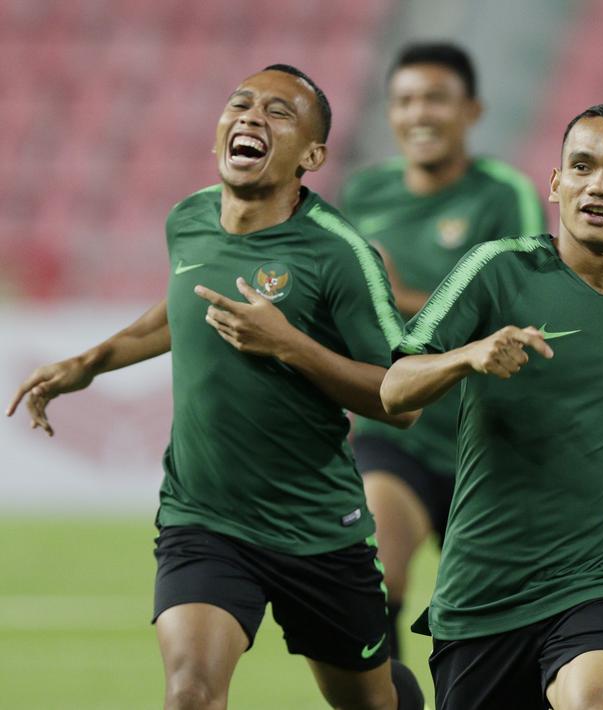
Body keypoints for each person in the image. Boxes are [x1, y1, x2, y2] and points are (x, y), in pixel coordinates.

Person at [8, 65, 424, 710]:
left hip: (318, 530)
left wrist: (290, 345)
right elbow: (178, 310)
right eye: (242, 103)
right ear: (220, 131)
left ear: (312, 156)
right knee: (191, 695)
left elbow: (401, 402)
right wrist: (89, 362)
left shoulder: (341, 254)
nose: (254, 116)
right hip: (204, 519)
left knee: (372, 701)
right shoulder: (188, 220)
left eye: (279, 112)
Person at [380, 104, 603, 710]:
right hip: (484, 592)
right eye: (582, 166)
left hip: (597, 575)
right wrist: (468, 357)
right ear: (556, 183)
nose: (599, 184)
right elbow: (394, 388)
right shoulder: (496, 269)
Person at [340, 41, 546, 662]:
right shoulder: (362, 196)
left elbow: (528, 313)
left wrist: (395, 294)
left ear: (472, 110)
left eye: (435, 98)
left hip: (486, 443)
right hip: (395, 432)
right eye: (404, 100)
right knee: (372, 586)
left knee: (496, 624)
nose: (418, 113)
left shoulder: (503, 194)